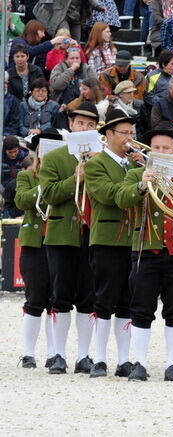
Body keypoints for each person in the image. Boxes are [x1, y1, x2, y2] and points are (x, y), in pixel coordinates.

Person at [112, 122, 173, 382]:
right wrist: (141, 186)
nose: (161, 151)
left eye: (166, 147)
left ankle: (171, 364)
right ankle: (140, 363)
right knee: (141, 309)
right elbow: (121, 200)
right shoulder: (137, 174)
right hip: (147, 249)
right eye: (156, 148)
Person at [38, 103, 102, 374]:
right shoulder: (55, 158)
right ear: (71, 126)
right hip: (62, 234)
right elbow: (49, 194)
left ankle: (84, 355)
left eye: (90, 125)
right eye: (80, 124)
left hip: (92, 234)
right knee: (60, 296)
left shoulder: (103, 159)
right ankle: (58, 354)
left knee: (88, 298)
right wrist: (74, 178)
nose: (84, 129)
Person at [84, 109, 144, 378]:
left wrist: (143, 170)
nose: (129, 138)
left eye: (131, 133)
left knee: (126, 302)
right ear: (108, 134)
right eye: (124, 133)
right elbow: (107, 194)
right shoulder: (95, 165)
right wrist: (138, 186)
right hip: (107, 239)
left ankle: (123, 360)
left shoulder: (135, 165)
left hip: (133, 238)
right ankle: (98, 358)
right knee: (104, 299)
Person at [15, 129, 62, 369]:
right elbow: (21, 201)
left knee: (56, 300)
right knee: (35, 298)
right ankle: (28, 352)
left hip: (58, 241)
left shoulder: (64, 175)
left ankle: (54, 352)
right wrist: (46, 185)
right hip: (35, 243)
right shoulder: (27, 176)